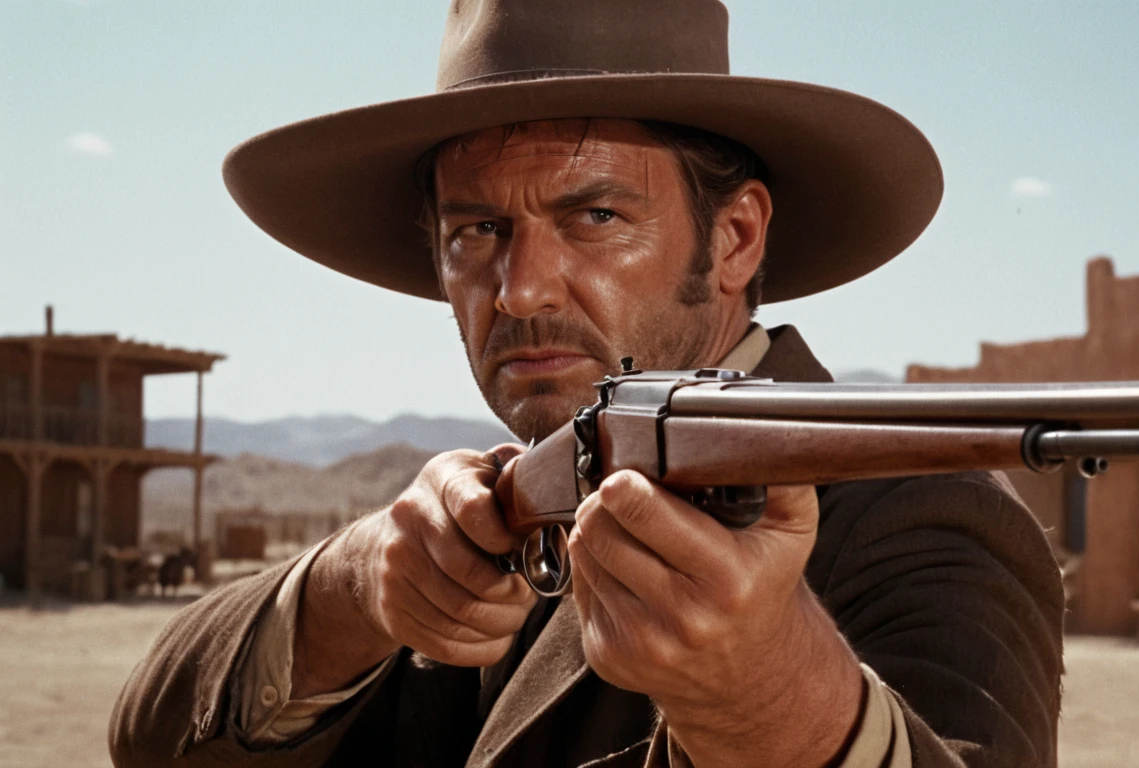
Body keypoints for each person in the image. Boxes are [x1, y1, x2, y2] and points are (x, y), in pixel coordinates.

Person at [110, 1, 1063, 766]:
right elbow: (151, 740)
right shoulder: (510, 517)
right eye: (475, 232)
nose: (519, 288)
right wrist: (357, 588)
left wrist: (775, 703)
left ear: (735, 239)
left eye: (596, 214)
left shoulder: (928, 514)